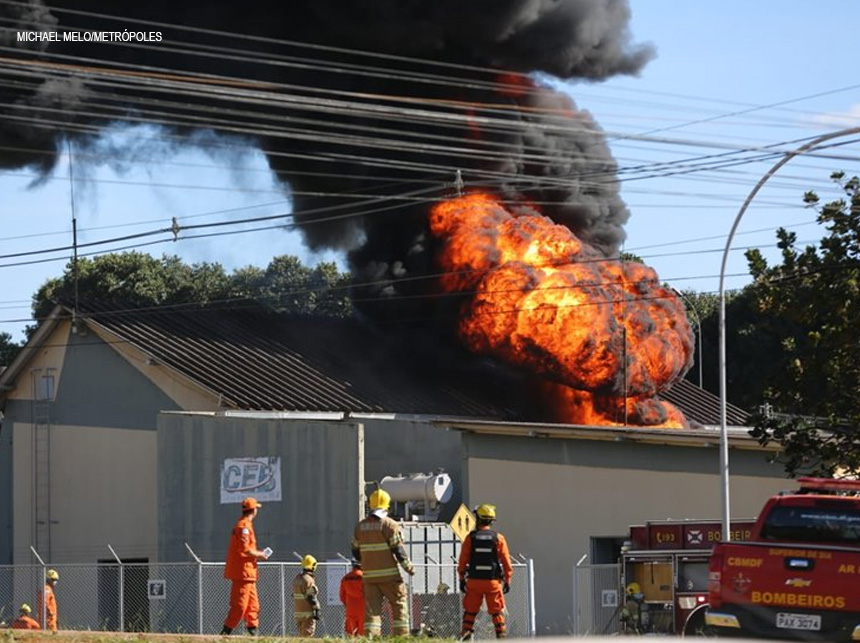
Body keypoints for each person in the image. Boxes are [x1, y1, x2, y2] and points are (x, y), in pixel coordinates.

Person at [351, 488, 415, 636]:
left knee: (372, 610)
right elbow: (398, 551)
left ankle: (370, 637)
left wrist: (366, 563)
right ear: (387, 505)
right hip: (390, 577)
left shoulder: (360, 527)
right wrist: (409, 568)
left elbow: (355, 551)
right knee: (399, 604)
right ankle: (401, 636)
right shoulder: (390, 525)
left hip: (369, 577)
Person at [457, 504, 513, 640]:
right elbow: (506, 562)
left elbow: (462, 561)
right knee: (497, 612)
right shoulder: (498, 538)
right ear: (491, 521)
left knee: (470, 612)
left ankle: (466, 637)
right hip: (492, 582)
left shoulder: (470, 538)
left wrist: (461, 579)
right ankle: (501, 638)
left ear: (478, 518)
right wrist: (508, 580)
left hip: (474, 582)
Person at [221, 497, 271, 636]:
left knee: (253, 607)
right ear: (253, 510)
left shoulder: (246, 525)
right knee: (240, 606)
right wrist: (261, 554)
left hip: (249, 574)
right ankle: (226, 632)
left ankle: (252, 633)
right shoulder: (243, 527)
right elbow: (245, 550)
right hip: (243, 573)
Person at [293, 554, 320, 637]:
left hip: (298, 613)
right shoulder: (308, 579)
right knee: (307, 636)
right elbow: (311, 596)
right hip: (307, 614)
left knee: (301, 636)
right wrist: (317, 608)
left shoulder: (297, 578)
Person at [339, 559, 364, 636]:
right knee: (362, 633)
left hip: (350, 608)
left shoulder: (345, 578)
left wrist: (347, 604)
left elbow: (342, 596)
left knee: (351, 633)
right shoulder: (364, 577)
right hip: (363, 608)